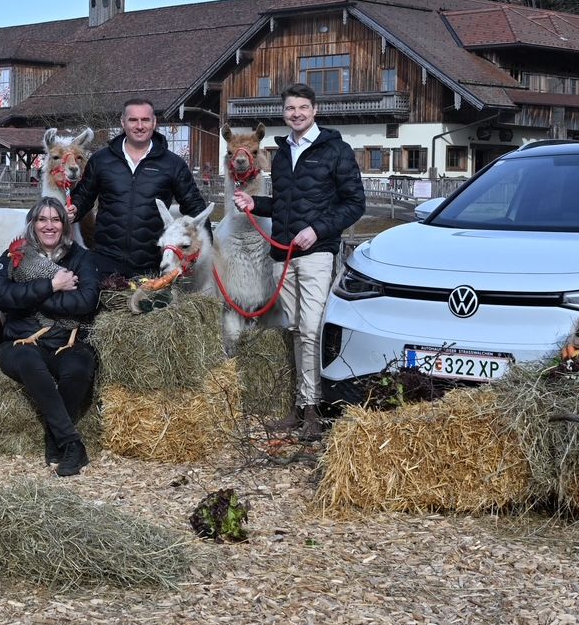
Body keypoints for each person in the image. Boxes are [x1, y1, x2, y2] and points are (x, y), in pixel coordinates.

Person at [231, 83, 366, 441]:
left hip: (316, 253)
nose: (297, 114)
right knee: (293, 330)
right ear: (284, 113)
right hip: (284, 255)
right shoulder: (282, 153)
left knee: (311, 329)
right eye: (291, 109)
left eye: (303, 108)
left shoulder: (336, 151)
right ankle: (300, 407)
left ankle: (314, 411)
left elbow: (355, 203)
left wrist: (317, 230)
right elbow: (283, 207)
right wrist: (254, 205)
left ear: (315, 110)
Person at [0, 197, 101, 476]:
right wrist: (51, 286)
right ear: (32, 224)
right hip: (21, 340)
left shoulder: (82, 257)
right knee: (30, 362)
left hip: (67, 339)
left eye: (55, 219)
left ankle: (54, 438)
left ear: (65, 225)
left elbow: (86, 301)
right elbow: (4, 298)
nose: (49, 225)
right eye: (42, 219)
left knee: (79, 367)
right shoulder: (13, 255)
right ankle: (71, 442)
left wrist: (34, 298)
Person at [70, 98, 208, 280]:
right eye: (133, 120)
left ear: (154, 122)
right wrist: (74, 209)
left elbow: (194, 205)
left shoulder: (172, 164)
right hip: (106, 260)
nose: (140, 126)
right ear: (123, 122)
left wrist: (207, 245)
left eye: (145, 120)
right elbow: (83, 197)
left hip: (151, 263)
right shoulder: (101, 160)